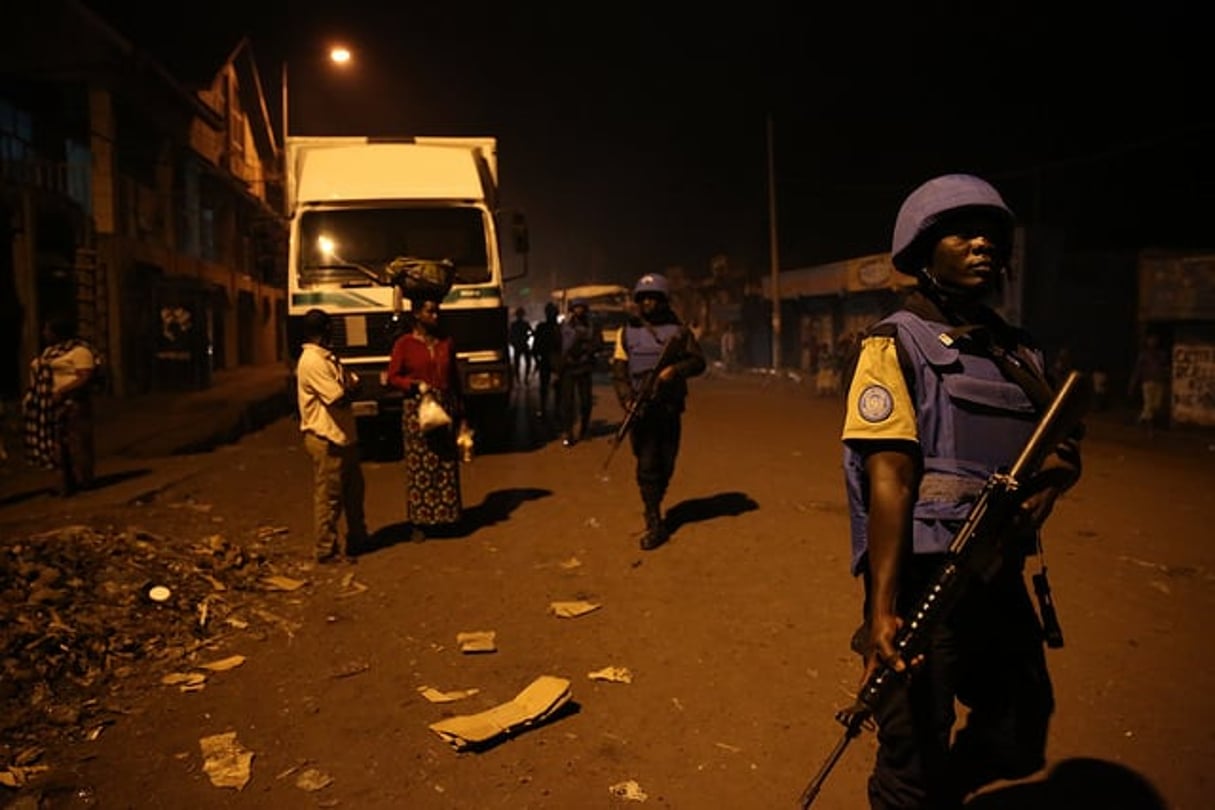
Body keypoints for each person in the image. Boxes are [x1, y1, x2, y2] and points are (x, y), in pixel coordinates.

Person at [841, 174, 1083, 809]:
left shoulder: (1019, 351)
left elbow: (1063, 444)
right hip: (927, 574)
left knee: (1021, 724)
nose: (984, 245)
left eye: (994, 237)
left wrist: (1049, 487)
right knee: (913, 747)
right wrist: (882, 608)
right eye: (964, 233)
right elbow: (889, 478)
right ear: (925, 252)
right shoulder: (894, 342)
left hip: (998, 570)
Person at [611, 273, 706, 550]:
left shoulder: (679, 332)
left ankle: (654, 500)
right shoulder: (626, 332)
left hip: (669, 407)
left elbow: (699, 362)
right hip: (642, 411)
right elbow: (619, 372)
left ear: (664, 301)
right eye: (644, 298)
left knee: (667, 463)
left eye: (654, 298)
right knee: (647, 463)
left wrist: (674, 370)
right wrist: (627, 398)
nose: (649, 303)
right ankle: (653, 519)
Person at [387, 295, 466, 538]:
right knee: (420, 465)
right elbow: (392, 376)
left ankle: (447, 517)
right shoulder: (404, 344)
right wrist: (414, 386)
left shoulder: (446, 343)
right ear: (417, 315)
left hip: (444, 407)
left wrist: (461, 412)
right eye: (430, 311)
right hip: (417, 409)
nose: (436, 316)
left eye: (437, 311)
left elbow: (454, 378)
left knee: (445, 462)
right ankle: (420, 522)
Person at [295, 308, 367, 563]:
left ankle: (358, 540)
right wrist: (352, 389)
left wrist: (352, 388)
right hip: (326, 439)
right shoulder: (312, 362)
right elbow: (341, 397)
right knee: (329, 498)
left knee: (353, 493)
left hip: (342, 436)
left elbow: (353, 385)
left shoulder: (328, 358)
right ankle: (326, 550)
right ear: (324, 330)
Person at [22, 314, 102, 496]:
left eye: (47, 330)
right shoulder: (50, 352)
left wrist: (63, 391)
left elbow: (85, 377)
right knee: (57, 444)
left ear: (58, 333)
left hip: (73, 403)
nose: (44, 333)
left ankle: (84, 480)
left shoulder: (80, 352)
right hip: (50, 404)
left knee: (77, 442)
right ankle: (65, 482)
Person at [557, 297, 597, 446]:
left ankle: (584, 430)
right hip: (568, 368)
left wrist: (588, 349)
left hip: (584, 367)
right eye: (576, 307)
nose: (578, 310)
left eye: (581, 307)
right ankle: (569, 432)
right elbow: (559, 345)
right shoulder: (565, 326)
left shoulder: (592, 326)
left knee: (586, 402)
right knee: (567, 403)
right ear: (572, 310)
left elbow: (598, 343)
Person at [1127, 332, 1169, 433]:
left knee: (1156, 405)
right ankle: (1150, 429)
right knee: (1149, 404)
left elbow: (1166, 367)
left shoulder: (1162, 354)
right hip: (1147, 382)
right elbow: (1138, 370)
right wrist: (1132, 384)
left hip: (1159, 382)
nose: (1152, 342)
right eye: (1150, 340)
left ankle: (1142, 418)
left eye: (1154, 339)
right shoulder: (1143, 355)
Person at [531, 301, 561, 419]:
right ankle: (552, 410)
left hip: (549, 360)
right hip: (549, 360)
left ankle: (547, 409)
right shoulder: (556, 328)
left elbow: (535, 347)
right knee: (553, 387)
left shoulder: (543, 327)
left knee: (548, 387)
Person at [509, 306, 533, 386]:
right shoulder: (524, 324)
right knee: (526, 362)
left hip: (518, 345)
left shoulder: (514, 325)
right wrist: (527, 337)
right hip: (522, 344)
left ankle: (519, 379)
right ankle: (523, 378)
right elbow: (531, 332)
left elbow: (510, 336)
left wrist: (513, 342)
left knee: (517, 363)